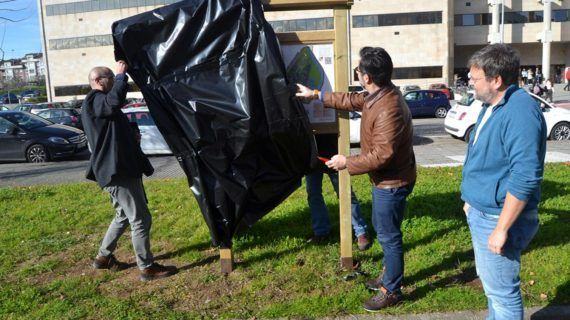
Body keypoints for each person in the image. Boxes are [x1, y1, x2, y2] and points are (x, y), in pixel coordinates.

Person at [296, 47, 416, 312]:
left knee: (389, 236)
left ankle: (391, 290)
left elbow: (382, 155)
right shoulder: (379, 95)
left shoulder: (389, 108)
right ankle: (388, 278)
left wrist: (345, 163)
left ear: (367, 77)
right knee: (383, 229)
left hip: (392, 182)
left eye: (358, 71)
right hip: (386, 180)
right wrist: (316, 95)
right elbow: (352, 100)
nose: (358, 75)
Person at [462, 44, 547, 319]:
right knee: (493, 290)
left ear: (496, 80)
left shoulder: (520, 112)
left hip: (498, 217)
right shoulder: (493, 105)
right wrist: (470, 200)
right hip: (483, 211)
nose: (470, 83)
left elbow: (525, 177)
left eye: (475, 78)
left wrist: (501, 229)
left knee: (503, 295)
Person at [82, 61, 177, 281]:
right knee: (140, 219)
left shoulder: (99, 104)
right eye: (110, 78)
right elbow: (114, 101)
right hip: (118, 171)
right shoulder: (94, 100)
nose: (114, 81)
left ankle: (103, 258)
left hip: (115, 170)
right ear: (97, 81)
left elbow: (112, 124)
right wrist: (122, 75)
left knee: (123, 215)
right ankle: (146, 267)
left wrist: (131, 137)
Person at [306, 133, 371, 251]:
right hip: (312, 154)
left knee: (346, 193)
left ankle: (360, 231)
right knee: (313, 193)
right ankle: (321, 231)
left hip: (334, 151)